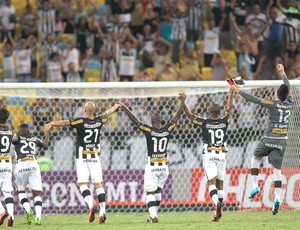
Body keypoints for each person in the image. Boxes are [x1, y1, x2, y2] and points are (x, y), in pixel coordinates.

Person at [43, 102, 121, 224]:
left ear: (84, 110)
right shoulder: (100, 120)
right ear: (94, 110)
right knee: (98, 185)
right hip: (94, 156)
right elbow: (108, 112)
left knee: (83, 184)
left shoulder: (80, 122)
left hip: (82, 156)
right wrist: (116, 106)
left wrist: (52, 123)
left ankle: (90, 205)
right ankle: (103, 211)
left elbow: (65, 122)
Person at [230, 64, 293, 215]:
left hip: (268, 139)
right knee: (277, 170)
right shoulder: (289, 104)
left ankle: (254, 185)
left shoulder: (272, 104)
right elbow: (288, 87)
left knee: (255, 158)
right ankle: (277, 198)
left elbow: (254, 99)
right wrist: (283, 74)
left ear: (277, 94)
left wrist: (237, 90)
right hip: (282, 141)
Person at [118, 93, 185, 223]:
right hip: (164, 168)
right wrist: (182, 101)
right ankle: (153, 215)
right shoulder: (167, 129)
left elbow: (135, 120)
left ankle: (153, 216)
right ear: (161, 121)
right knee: (157, 191)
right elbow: (177, 117)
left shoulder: (148, 130)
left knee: (149, 193)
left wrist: (125, 108)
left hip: (152, 167)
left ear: (151, 121)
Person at [183, 88, 234, 222]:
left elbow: (189, 115)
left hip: (210, 155)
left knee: (211, 182)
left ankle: (216, 203)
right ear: (219, 112)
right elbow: (229, 108)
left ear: (210, 112)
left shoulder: (205, 122)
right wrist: (231, 92)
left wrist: (182, 101)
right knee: (220, 184)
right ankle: (218, 211)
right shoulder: (224, 121)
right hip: (222, 155)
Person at [12, 124, 50, 226]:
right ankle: (38, 217)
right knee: (36, 194)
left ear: (20, 131)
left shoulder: (17, 137)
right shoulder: (34, 138)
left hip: (21, 164)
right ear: (29, 131)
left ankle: (28, 210)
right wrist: (47, 134)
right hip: (33, 164)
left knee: (21, 191)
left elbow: (11, 139)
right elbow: (46, 145)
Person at [0, 108, 14, 227]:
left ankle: (2, 212)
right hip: (7, 162)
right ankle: (11, 216)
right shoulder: (10, 131)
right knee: (7, 191)